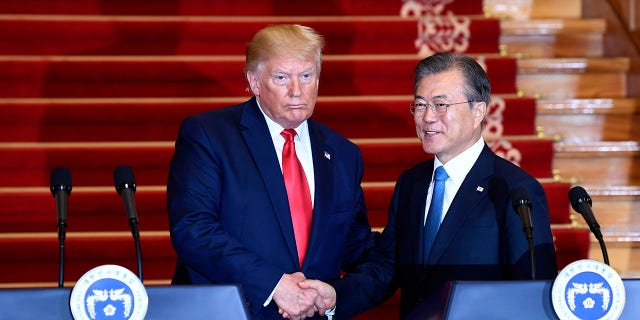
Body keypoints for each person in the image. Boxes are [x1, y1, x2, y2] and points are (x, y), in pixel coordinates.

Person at [166, 24, 377, 320]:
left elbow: (354, 243)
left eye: (306, 76)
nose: (296, 90)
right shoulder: (209, 135)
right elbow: (194, 229)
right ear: (254, 81)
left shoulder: (343, 153)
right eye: (281, 78)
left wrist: (338, 295)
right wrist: (273, 285)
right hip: (229, 312)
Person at [331, 52, 558, 318]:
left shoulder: (514, 190)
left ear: (478, 111)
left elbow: (532, 292)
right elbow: (388, 267)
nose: (427, 117)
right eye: (420, 105)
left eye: (440, 105)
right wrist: (334, 297)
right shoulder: (411, 184)